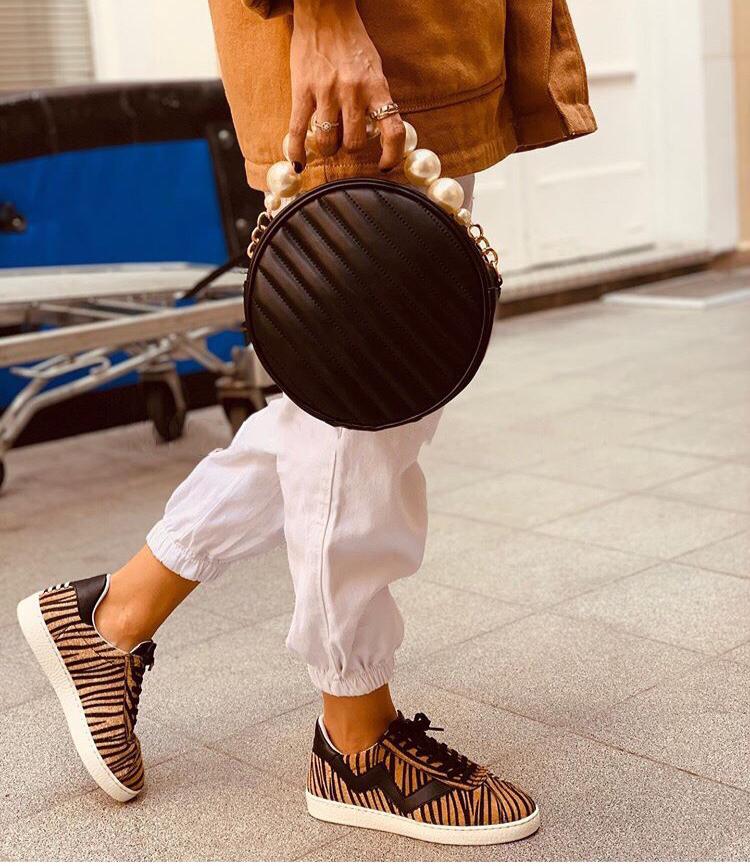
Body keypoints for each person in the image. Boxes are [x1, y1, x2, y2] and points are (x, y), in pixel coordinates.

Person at [17, 0, 595, 846]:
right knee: (363, 401)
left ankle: (111, 616)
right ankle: (356, 739)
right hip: (364, 42)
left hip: (428, 41)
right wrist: (324, 18)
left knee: (374, 396)